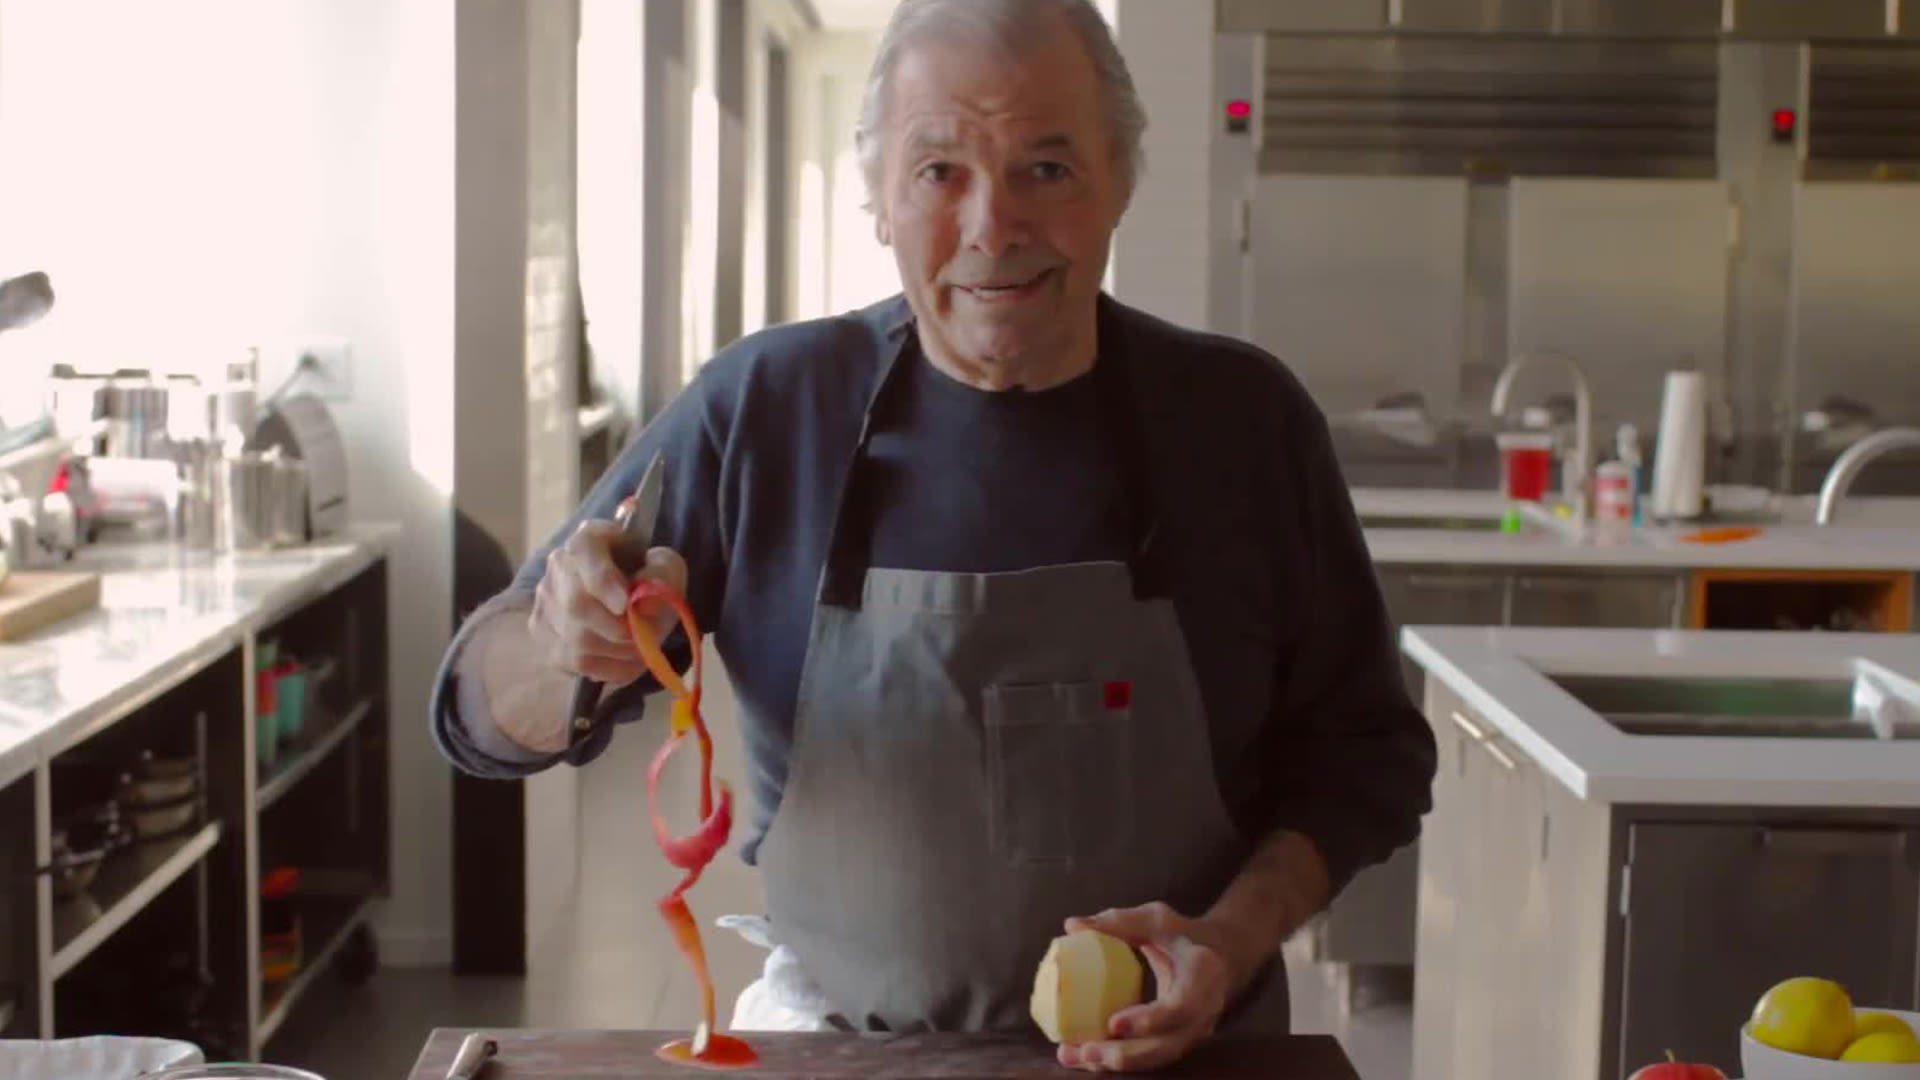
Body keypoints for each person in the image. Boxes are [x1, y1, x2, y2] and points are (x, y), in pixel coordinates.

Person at [431, 0, 1437, 1070]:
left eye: (1047, 168)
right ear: (876, 195)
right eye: (939, 172)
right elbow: (476, 713)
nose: (993, 226)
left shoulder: (1242, 422)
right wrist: (558, 644)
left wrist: (1227, 944)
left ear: (1120, 183)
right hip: (848, 1059)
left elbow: (1367, 754)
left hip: (1188, 1057)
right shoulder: (767, 408)